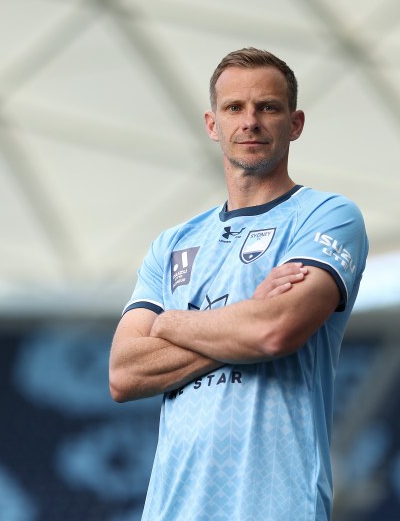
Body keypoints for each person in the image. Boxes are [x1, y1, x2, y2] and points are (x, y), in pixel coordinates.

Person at [109, 47, 368, 520]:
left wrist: (169, 324)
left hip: (275, 506)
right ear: (213, 124)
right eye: (234, 108)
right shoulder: (172, 244)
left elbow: (275, 331)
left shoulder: (327, 216)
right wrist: (246, 317)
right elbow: (124, 373)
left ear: (295, 124)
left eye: (268, 107)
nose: (250, 121)